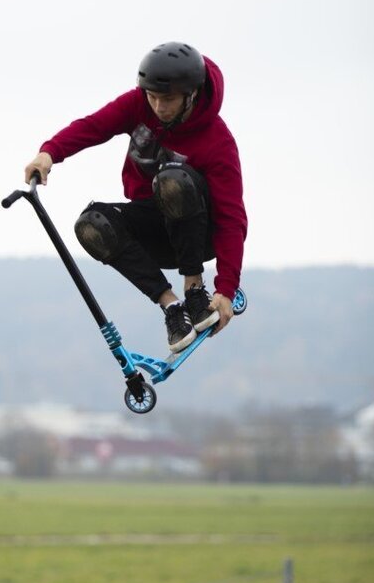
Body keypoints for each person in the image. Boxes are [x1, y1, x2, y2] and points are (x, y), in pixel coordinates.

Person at [24, 41, 247, 353]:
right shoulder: (138, 104)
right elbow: (93, 126)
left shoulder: (217, 142)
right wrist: (49, 153)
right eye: (153, 97)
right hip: (157, 229)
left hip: (200, 232)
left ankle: (195, 291)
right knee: (92, 224)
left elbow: (231, 219)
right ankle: (172, 308)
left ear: (191, 94)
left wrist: (226, 287)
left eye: (167, 99)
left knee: (172, 180)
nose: (158, 107)